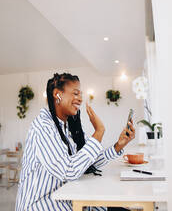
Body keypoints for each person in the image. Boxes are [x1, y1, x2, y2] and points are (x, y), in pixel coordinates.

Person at [15, 73, 135, 211]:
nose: (80, 99)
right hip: (45, 206)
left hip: (70, 203)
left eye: (80, 95)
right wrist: (99, 132)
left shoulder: (68, 127)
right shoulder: (43, 127)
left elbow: (84, 163)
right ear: (57, 94)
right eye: (75, 93)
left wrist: (118, 145)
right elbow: (69, 171)